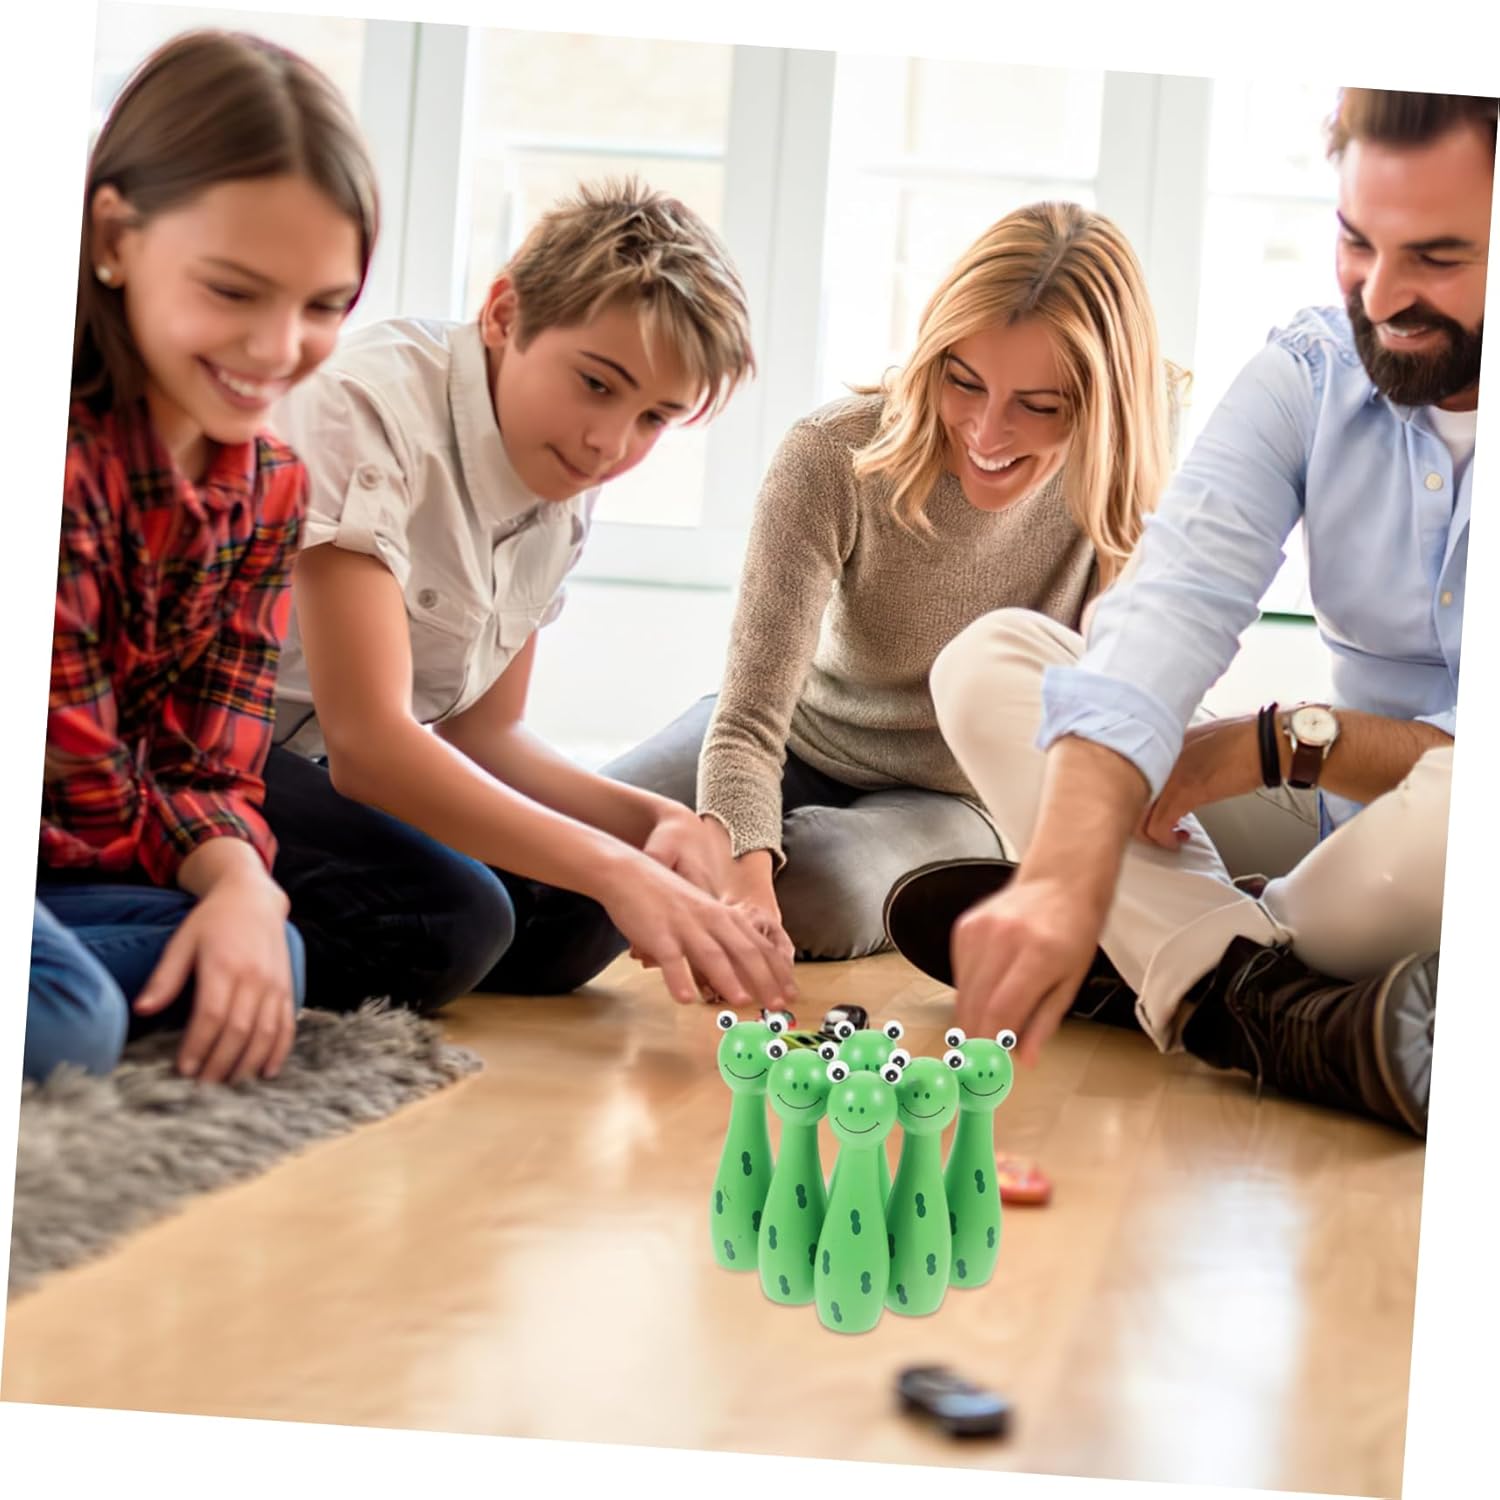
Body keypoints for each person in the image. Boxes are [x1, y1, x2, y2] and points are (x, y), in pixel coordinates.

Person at [911, 88, 1492, 1138]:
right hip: (1334, 835)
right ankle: (1268, 997)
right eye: (1357, 241)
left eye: (1439, 258)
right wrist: (1067, 870)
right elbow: (1172, 597)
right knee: (992, 660)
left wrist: (1273, 745)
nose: (1380, 295)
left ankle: (1166, 954)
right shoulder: (1311, 371)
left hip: (1435, 838)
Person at [267, 179, 796, 1015]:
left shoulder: (562, 468)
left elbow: (487, 730)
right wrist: (613, 863)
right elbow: (368, 743)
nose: (610, 444)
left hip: (323, 767)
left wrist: (650, 824)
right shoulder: (365, 408)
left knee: (581, 914)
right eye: (597, 384)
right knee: (454, 921)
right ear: (504, 314)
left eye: (654, 418)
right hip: (205, 748)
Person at [605, 201, 1181, 964]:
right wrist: (741, 874)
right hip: (799, 738)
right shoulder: (830, 455)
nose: (986, 433)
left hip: (960, 793)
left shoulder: (1131, 461)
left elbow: (1112, 696)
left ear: (1104, 407)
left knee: (819, 891)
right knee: (585, 842)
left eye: (1039, 407)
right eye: (963, 382)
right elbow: (747, 723)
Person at [29, 30, 380, 1085]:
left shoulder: (271, 486)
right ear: (114, 238)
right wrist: (218, 877)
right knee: (73, 1017)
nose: (278, 350)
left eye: (323, 306)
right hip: (66, 839)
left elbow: (209, 764)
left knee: (271, 944)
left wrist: (241, 888)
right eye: (232, 291)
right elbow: (90, 780)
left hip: (78, 859)